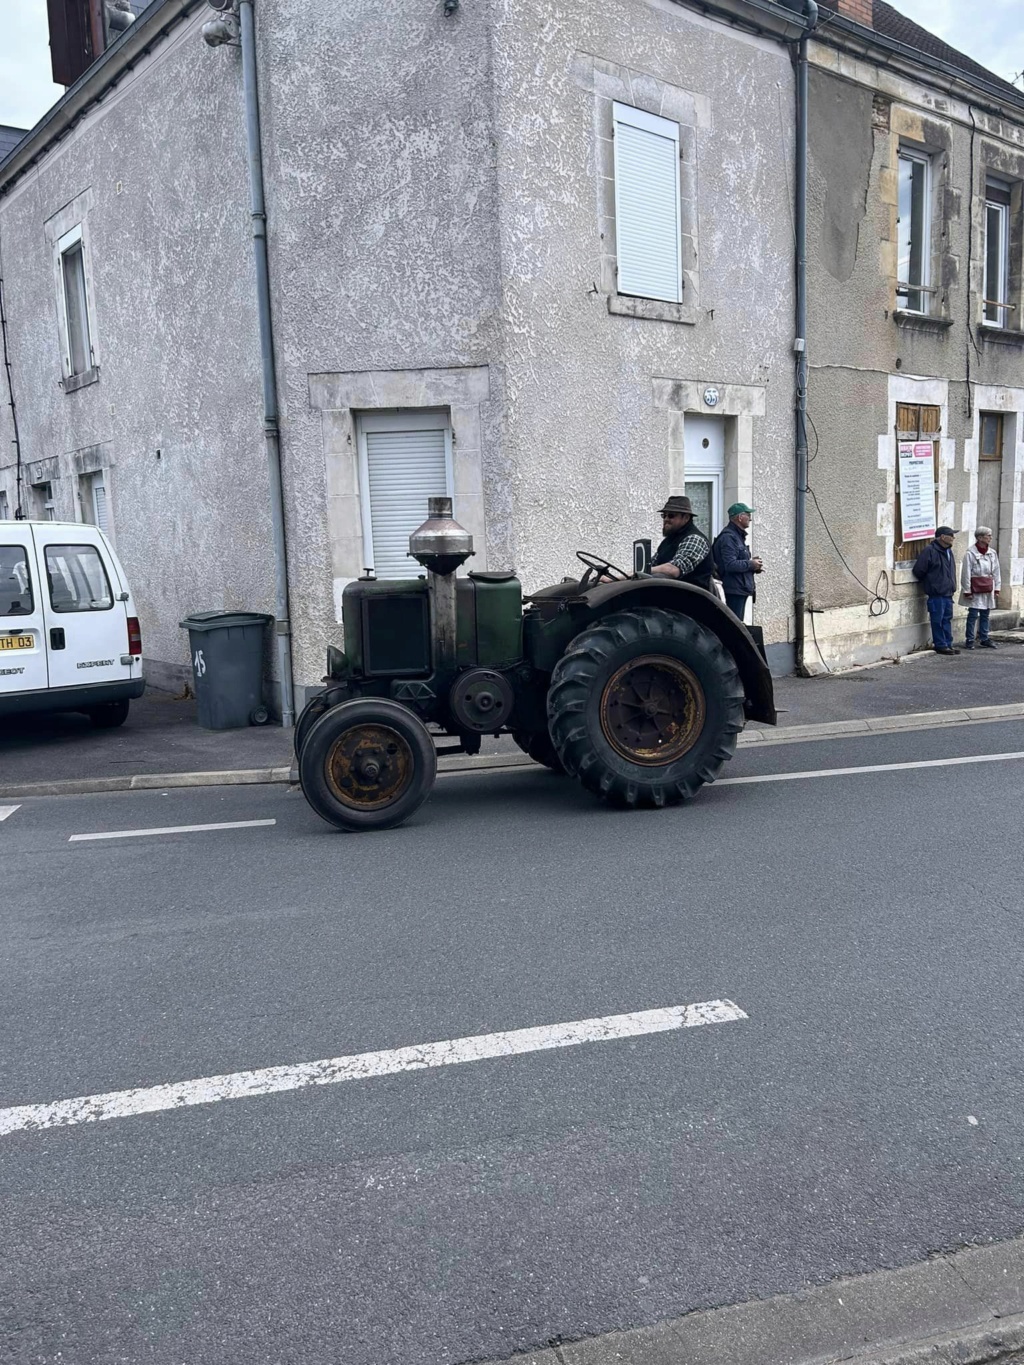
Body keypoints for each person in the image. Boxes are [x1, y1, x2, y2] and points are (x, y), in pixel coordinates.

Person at [649, 496, 716, 590]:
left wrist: (644, 571)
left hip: (693, 600)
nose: (666, 519)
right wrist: (627, 576)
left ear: (686, 517)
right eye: (664, 515)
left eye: (671, 515)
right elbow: (652, 564)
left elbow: (674, 569)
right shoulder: (668, 541)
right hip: (671, 597)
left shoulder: (695, 539)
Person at [912, 525, 959, 655]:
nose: (953, 538)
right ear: (943, 537)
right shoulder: (930, 550)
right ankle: (940, 644)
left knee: (947, 619)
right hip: (937, 593)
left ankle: (948, 644)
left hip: (948, 593)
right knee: (937, 620)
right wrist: (932, 583)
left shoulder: (949, 551)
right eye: (951, 535)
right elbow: (919, 570)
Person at [713, 503, 762, 622]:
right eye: (748, 515)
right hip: (733, 590)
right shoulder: (729, 538)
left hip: (738, 588)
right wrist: (751, 564)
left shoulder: (736, 536)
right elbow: (730, 565)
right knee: (733, 625)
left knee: (736, 624)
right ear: (740, 517)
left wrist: (754, 565)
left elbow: (737, 560)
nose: (750, 518)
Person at [960, 526, 1000, 650]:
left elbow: (996, 571)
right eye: (988, 535)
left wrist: (997, 587)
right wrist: (967, 590)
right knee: (973, 614)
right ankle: (970, 639)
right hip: (975, 587)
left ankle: (984, 638)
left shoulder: (992, 553)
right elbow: (966, 573)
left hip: (987, 586)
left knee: (985, 613)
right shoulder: (970, 553)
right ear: (980, 538)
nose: (990, 537)